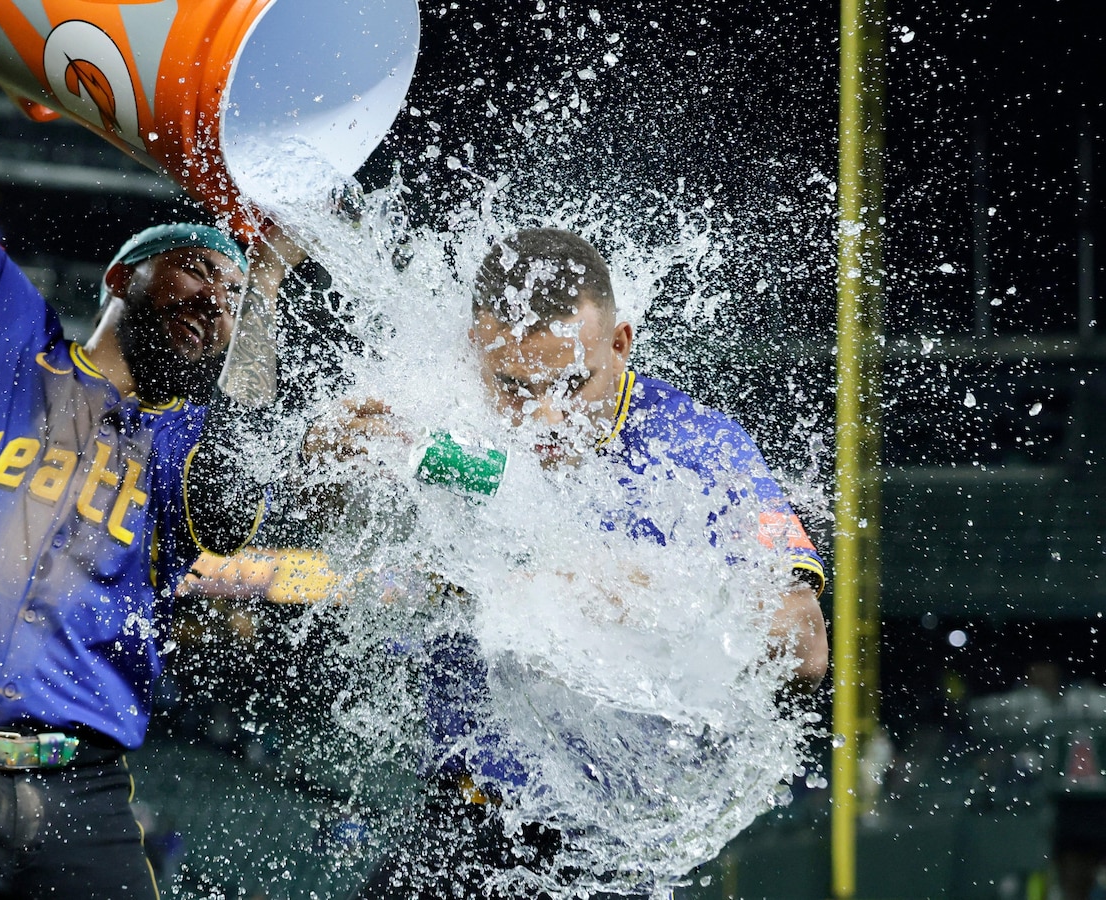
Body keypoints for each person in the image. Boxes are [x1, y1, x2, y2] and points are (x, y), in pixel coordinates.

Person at [0, 2, 304, 897]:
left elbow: (235, 509)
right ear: (124, 276)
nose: (219, 299)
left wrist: (267, 282)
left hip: (84, 794)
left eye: (235, 295)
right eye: (202, 270)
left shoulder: (184, 444)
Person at [308, 228, 828, 899]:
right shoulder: (445, 410)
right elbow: (328, 521)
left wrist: (625, 592)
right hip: (457, 821)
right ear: (478, 351)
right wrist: (325, 463)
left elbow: (802, 641)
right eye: (516, 386)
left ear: (620, 345)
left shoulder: (696, 450)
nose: (545, 418)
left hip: (600, 849)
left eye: (570, 383)